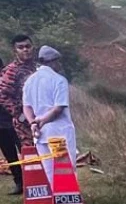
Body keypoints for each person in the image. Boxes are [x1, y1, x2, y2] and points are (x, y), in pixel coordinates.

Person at [23, 46, 76, 185]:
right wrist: (43, 120)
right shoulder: (59, 80)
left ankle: (57, 203)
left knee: (50, 172)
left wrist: (33, 123)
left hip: (40, 134)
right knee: (66, 171)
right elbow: (58, 108)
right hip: (59, 132)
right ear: (52, 61)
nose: (59, 65)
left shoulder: (29, 81)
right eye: (58, 62)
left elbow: (26, 107)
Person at [0, 34, 38, 148]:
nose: (25, 49)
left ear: (32, 47)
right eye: (21, 47)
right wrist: (19, 114)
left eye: (28, 46)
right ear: (15, 51)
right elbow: (2, 95)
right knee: (31, 158)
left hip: (42, 118)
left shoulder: (37, 68)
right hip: (24, 125)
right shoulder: (11, 71)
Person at [0, 57, 22, 195]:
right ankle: (19, 182)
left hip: (15, 123)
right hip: (0, 127)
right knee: (10, 156)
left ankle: (35, 180)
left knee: (26, 152)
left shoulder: (8, 80)